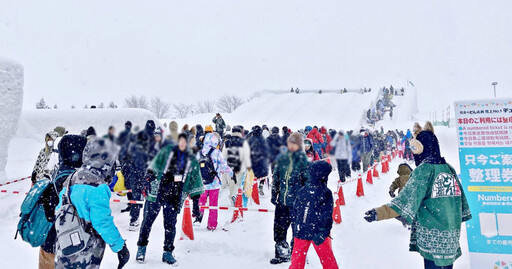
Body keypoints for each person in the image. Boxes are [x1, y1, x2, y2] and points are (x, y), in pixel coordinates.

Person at [364, 122, 472, 269]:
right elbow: (461, 202)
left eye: (415, 149)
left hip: (433, 235)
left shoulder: (424, 171)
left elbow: (404, 201)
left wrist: (378, 213)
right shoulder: (448, 168)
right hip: (451, 234)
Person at [54, 137, 130, 269]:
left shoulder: (71, 178)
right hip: (84, 254)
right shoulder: (98, 186)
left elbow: (59, 210)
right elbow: (102, 222)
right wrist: (120, 248)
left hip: (65, 247)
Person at [137, 133, 204, 265]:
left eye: (187, 141)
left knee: (170, 225)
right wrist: (148, 177)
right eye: (181, 140)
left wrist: (196, 203)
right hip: (157, 193)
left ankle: (167, 252)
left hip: (174, 196)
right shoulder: (166, 151)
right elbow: (154, 166)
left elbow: (196, 180)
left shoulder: (191, 160)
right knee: (147, 222)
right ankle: (141, 248)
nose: (183, 144)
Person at [39, 134, 87, 269]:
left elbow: (49, 213)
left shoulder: (57, 174)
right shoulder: (86, 180)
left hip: (51, 241)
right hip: (77, 244)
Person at [290, 161, 339, 269]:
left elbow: (295, 211)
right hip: (318, 231)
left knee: (296, 263)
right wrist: (323, 232)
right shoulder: (325, 192)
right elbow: (327, 215)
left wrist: (296, 228)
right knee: (328, 261)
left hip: (301, 230)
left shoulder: (302, 190)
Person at [270, 132, 309, 265]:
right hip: (282, 201)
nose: (291, 146)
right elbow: (276, 177)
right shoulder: (282, 159)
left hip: (297, 203)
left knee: (297, 229)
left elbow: (307, 182)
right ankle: (281, 252)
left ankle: (297, 254)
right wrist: (274, 193)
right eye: (289, 143)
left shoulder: (303, 161)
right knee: (279, 228)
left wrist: (305, 199)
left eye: (294, 143)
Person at [197, 133, 233, 230]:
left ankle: (197, 218)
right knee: (213, 205)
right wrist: (231, 173)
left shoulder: (200, 152)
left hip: (202, 183)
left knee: (201, 202)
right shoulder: (217, 153)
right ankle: (211, 225)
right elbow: (223, 166)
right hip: (214, 183)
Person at [222, 125, 252, 205]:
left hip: (229, 166)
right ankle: (235, 196)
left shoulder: (227, 142)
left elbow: (224, 156)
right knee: (238, 183)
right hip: (240, 167)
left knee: (231, 183)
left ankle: (232, 199)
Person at [248, 126, 270, 196]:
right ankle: (260, 186)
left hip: (252, 161)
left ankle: (251, 189)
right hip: (261, 161)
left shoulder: (250, 140)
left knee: (252, 175)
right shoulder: (263, 140)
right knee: (264, 174)